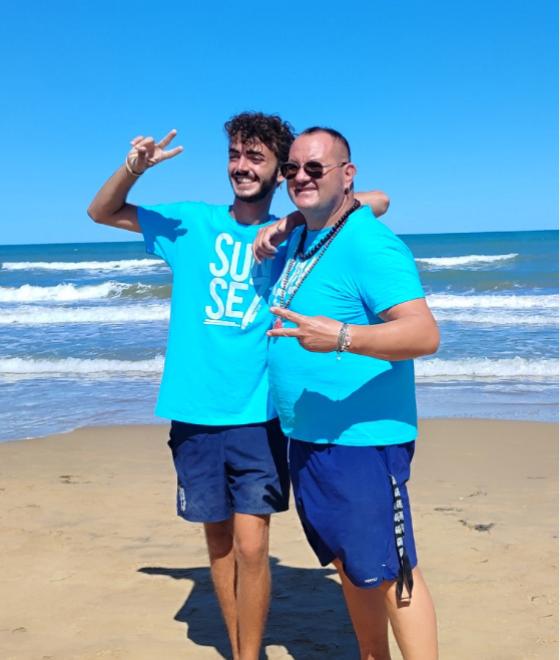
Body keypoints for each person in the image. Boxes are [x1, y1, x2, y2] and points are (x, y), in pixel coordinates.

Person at [87, 113, 390, 660]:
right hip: (194, 411)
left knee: (253, 547)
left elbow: (378, 200)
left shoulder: (298, 231)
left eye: (256, 157)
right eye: (235, 154)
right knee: (219, 546)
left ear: (280, 172)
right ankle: (240, 651)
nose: (242, 166)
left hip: (259, 412)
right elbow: (102, 210)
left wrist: (285, 222)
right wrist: (132, 169)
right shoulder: (189, 224)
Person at [267, 126, 440, 660]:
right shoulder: (305, 235)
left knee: (391, 571)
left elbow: (424, 334)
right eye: (291, 169)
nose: (300, 177)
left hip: (363, 441)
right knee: (350, 563)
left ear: (347, 173)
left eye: (315, 168)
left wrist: (340, 336)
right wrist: (292, 218)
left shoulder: (370, 243)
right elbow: (360, 201)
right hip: (312, 437)